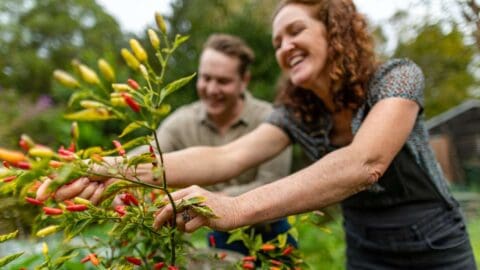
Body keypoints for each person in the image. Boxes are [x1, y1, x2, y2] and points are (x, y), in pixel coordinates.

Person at [42, 0, 477, 268]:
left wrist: (235, 208)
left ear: (335, 29)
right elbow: (224, 158)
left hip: (434, 240)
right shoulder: (297, 113)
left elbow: (366, 163)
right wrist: (116, 168)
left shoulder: (396, 78)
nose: (284, 46)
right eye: (276, 41)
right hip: (365, 244)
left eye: (295, 31)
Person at [129, 33, 294, 255]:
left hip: (271, 233)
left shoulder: (271, 120)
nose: (212, 89)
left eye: (223, 81)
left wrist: (206, 201)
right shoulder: (183, 121)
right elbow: (150, 156)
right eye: (206, 78)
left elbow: (271, 184)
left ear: (244, 80)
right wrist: (112, 171)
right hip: (220, 233)